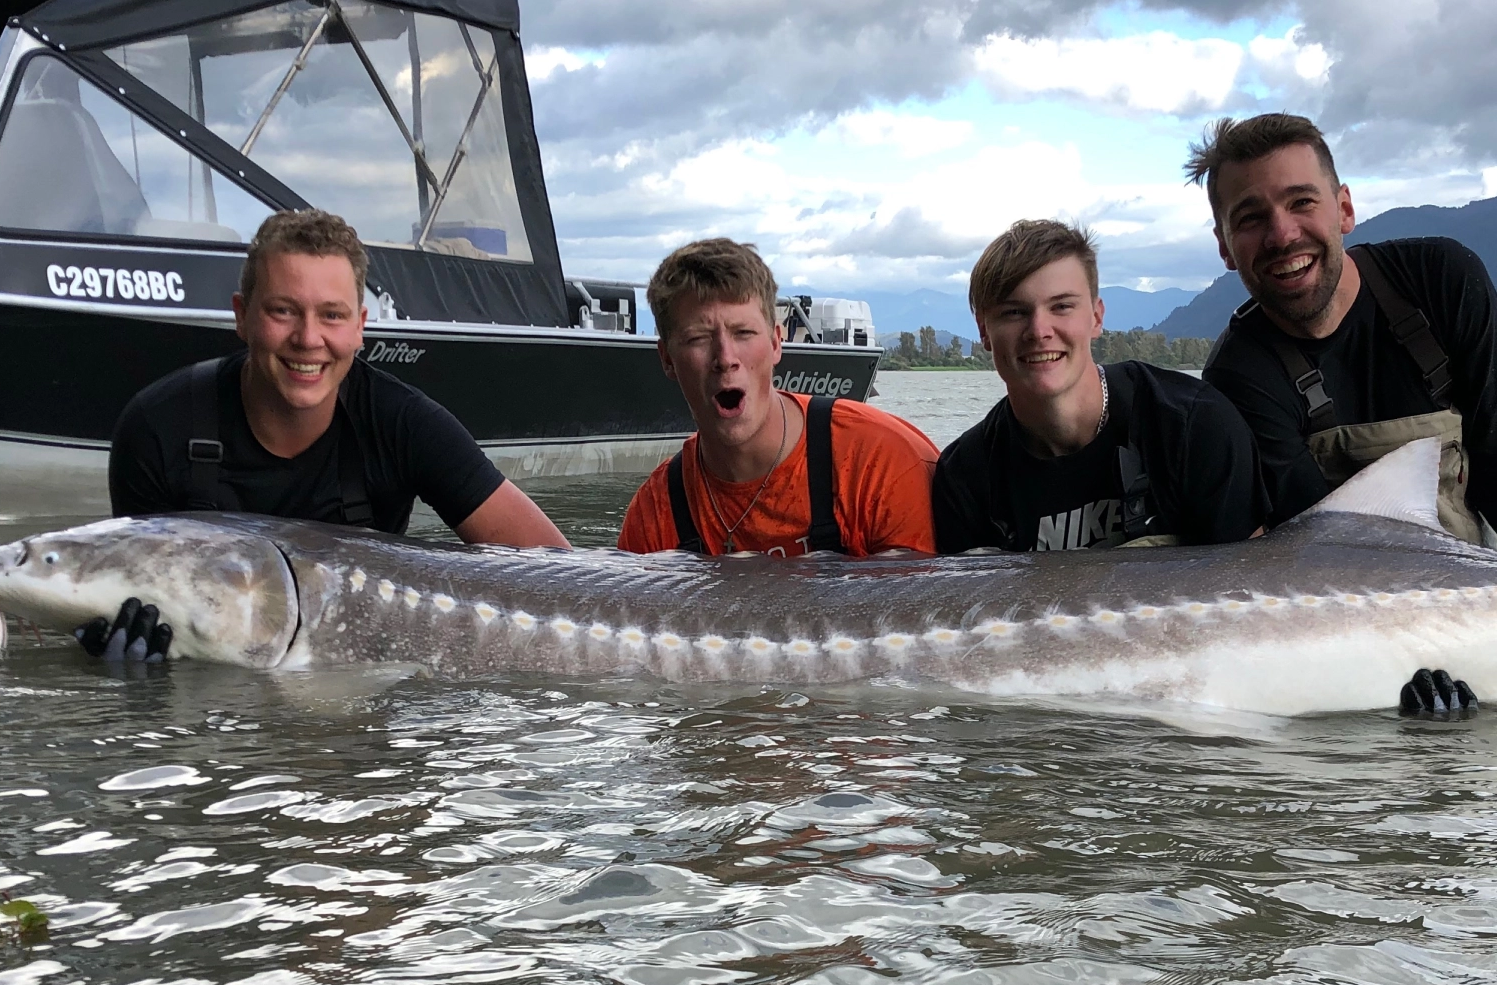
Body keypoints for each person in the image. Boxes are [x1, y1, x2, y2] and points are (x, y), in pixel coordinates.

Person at [87, 209, 566, 660]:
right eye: (283, 311)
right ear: (241, 315)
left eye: (332, 315)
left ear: (360, 327)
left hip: (360, 672)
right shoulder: (158, 427)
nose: (308, 339)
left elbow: (557, 573)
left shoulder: (403, 423)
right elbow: (137, 584)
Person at [1192, 113, 1497, 546]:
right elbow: (1329, 548)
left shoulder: (1443, 281)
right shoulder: (1238, 376)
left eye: (1301, 202)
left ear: (1345, 210)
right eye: (1250, 218)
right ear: (1224, 247)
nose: (1282, 236)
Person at [933, 219, 1268, 553]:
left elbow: (1245, 585)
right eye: (1014, 312)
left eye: (1061, 306)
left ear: (1096, 318)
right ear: (984, 331)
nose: (1038, 330)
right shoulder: (965, 475)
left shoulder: (1195, 425)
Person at [617, 238, 939, 556]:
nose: (725, 357)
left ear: (775, 343)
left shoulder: (883, 464)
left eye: (743, 333)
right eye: (698, 338)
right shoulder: (655, 515)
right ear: (667, 359)